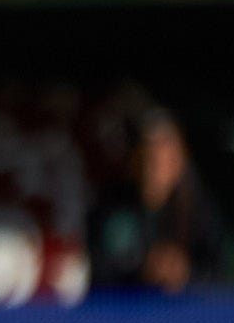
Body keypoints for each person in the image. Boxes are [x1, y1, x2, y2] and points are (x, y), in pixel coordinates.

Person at [90, 107, 224, 293]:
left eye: (164, 155)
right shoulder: (111, 205)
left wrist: (185, 273)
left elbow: (216, 274)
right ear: (135, 158)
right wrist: (143, 269)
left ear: (180, 158)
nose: (155, 166)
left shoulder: (199, 208)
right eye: (149, 155)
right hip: (126, 312)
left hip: (182, 314)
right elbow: (98, 272)